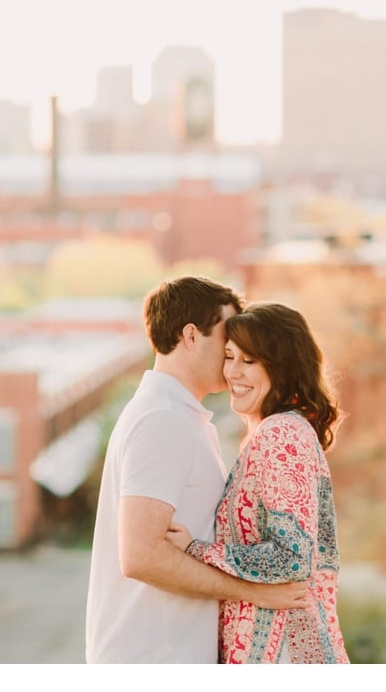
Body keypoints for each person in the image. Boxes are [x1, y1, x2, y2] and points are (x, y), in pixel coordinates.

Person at [85, 277, 312, 664]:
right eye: (226, 341)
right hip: (151, 660)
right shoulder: (163, 420)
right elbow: (141, 555)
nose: (233, 351)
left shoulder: (183, 418)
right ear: (191, 336)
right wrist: (254, 592)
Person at [167, 302, 350, 664]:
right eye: (229, 356)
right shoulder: (274, 432)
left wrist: (197, 550)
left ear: (282, 366)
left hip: (285, 649)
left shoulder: (281, 433)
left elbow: (292, 558)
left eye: (249, 362)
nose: (233, 372)